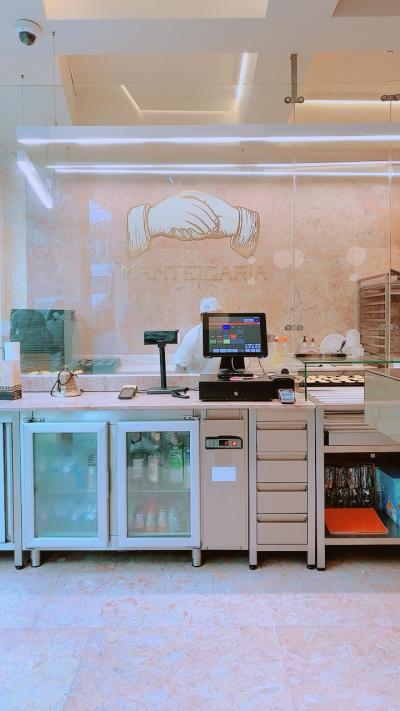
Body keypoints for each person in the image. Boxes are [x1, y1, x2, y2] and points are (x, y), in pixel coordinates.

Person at [174, 296, 222, 373]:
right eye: (210, 317)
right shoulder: (192, 337)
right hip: (196, 380)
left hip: (219, 379)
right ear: (201, 318)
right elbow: (180, 367)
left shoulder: (227, 334)